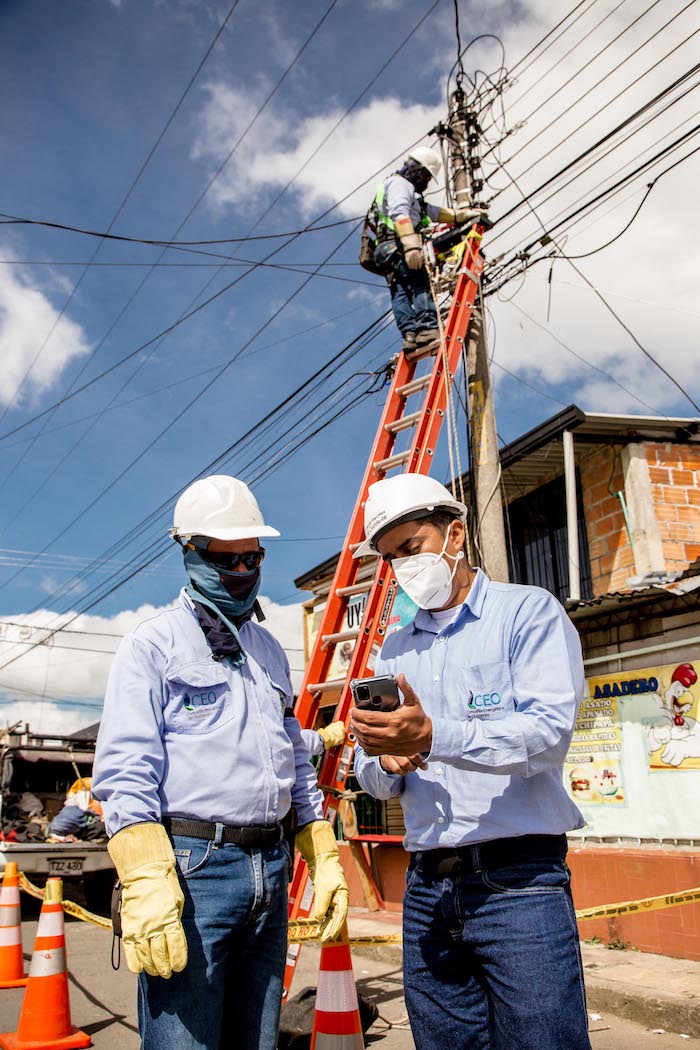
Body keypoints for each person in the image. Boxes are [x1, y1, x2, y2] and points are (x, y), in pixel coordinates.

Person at [92, 474, 349, 1050]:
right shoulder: (153, 645)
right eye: (223, 558)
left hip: (271, 865)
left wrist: (321, 849)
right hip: (193, 868)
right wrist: (145, 875)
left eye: (251, 558)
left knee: (254, 1040)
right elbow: (126, 769)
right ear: (189, 553)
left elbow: (292, 760)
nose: (240, 571)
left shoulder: (268, 653)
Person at [350, 472, 591, 1050]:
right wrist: (387, 763)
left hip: (519, 883)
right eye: (391, 559)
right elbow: (369, 775)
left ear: (455, 534)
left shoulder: (527, 614)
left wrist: (434, 735)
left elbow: (548, 736)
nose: (404, 569)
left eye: (412, 549)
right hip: (428, 887)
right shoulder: (395, 649)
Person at [373, 146, 485, 352]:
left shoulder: (401, 189)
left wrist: (463, 214)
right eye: (424, 175)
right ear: (415, 169)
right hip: (399, 244)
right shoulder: (401, 184)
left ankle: (410, 335)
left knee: (401, 290)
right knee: (420, 283)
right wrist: (410, 246)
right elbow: (400, 213)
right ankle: (427, 329)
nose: (424, 181)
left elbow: (432, 212)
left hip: (387, 248)